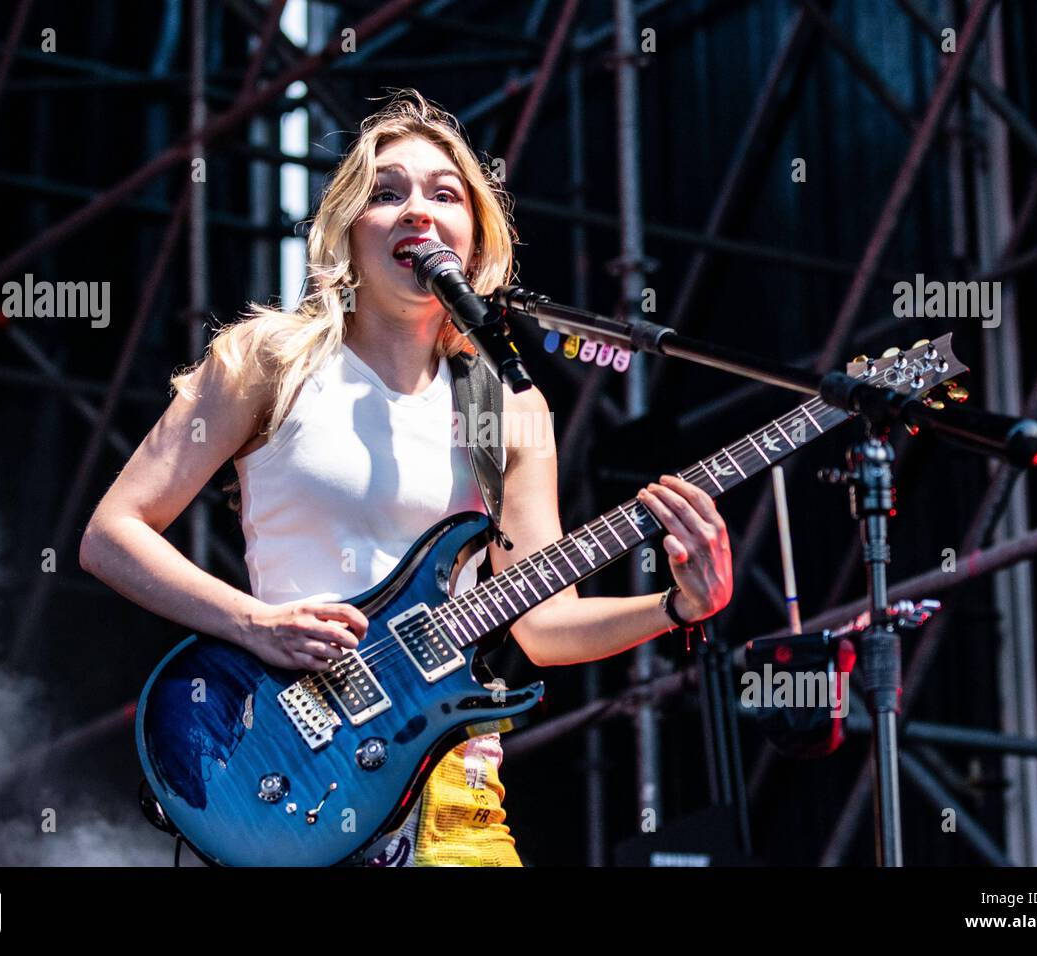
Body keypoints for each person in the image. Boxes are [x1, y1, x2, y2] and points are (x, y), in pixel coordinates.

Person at [79, 89, 734, 867]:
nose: (416, 211)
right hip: (286, 775)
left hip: (453, 795)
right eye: (386, 194)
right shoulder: (269, 362)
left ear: (474, 237)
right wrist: (254, 624)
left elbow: (543, 626)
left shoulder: (510, 406)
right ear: (349, 232)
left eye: (444, 195)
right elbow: (111, 534)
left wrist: (675, 605)